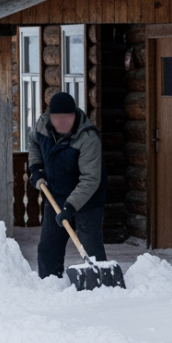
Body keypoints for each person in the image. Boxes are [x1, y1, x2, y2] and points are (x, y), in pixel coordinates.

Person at [27, 91, 108, 279]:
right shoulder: (42, 126)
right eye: (57, 118)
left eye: (67, 118)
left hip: (87, 199)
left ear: (75, 115)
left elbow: (90, 180)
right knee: (49, 246)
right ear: (50, 116)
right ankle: (49, 283)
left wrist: (69, 208)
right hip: (55, 193)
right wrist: (36, 168)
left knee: (90, 245)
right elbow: (33, 142)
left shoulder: (88, 139)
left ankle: (102, 284)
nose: (62, 123)